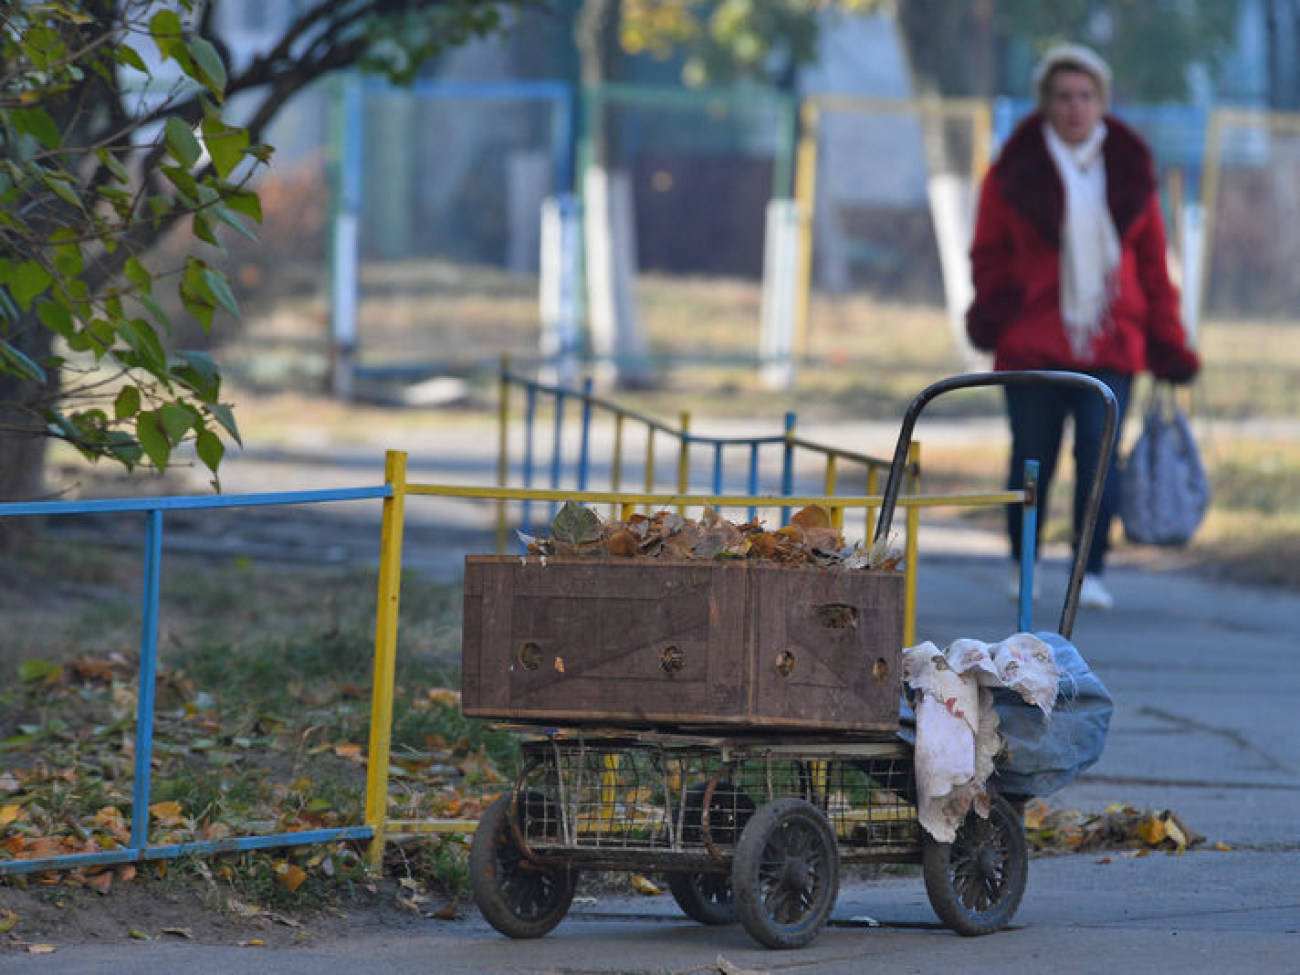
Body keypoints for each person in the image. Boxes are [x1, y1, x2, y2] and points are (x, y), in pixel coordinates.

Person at [966, 43, 1200, 611]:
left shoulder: (1128, 172)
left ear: (1102, 102)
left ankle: (1089, 571)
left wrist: (1169, 341)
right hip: (1032, 342)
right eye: (1064, 96)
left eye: (1086, 96)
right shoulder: (1014, 172)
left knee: (1099, 458)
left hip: (1112, 342)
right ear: (1046, 102)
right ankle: (1024, 564)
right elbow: (987, 253)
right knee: (1032, 457)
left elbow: (1152, 263)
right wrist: (998, 304)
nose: (1075, 107)